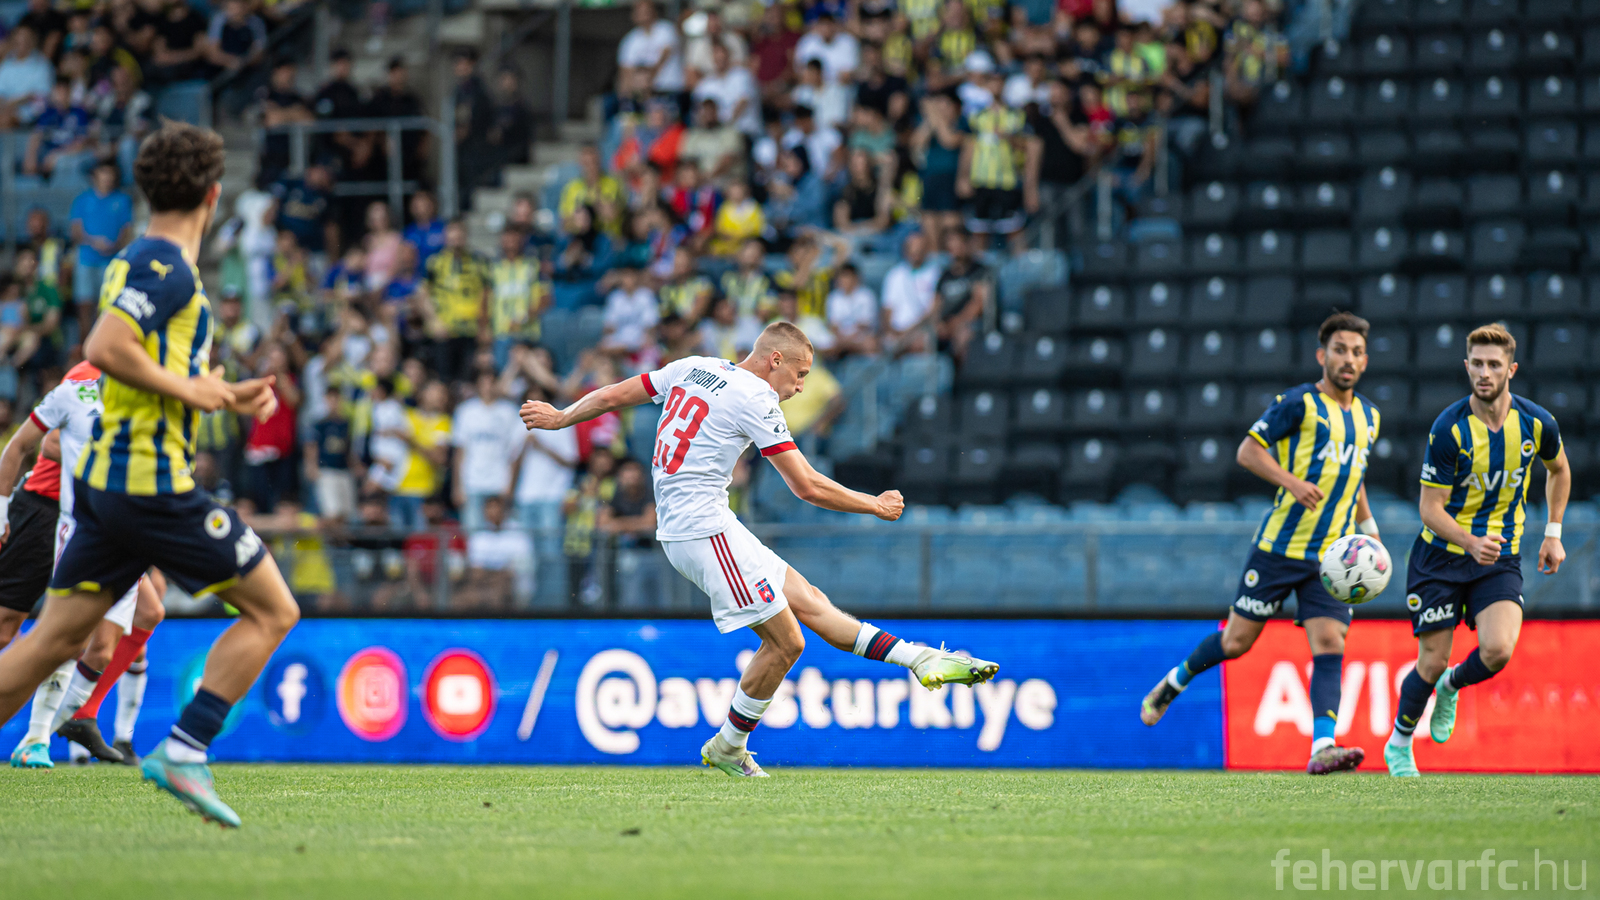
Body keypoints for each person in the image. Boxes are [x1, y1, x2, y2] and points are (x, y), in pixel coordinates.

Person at [520, 322, 999, 777]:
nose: (800, 387)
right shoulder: (756, 397)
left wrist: (563, 416)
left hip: (706, 524)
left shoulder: (693, 366)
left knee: (810, 602)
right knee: (787, 642)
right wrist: (872, 504)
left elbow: (613, 395)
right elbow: (806, 486)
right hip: (701, 530)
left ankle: (918, 658)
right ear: (775, 360)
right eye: (800, 374)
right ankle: (728, 746)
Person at [0, 124, 298, 826]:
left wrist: (221, 393)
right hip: (149, 484)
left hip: (106, 490)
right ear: (213, 196)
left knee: (50, 644)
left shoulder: (131, 259)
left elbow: (145, 366)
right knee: (273, 610)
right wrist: (196, 390)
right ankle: (185, 751)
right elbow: (105, 345)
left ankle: (163, 747)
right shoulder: (170, 267)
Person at [1140, 312, 1379, 776]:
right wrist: (1292, 482)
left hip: (1331, 557)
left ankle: (1323, 746)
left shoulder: (1370, 416)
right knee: (1236, 642)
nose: (1347, 359)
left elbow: (1356, 472)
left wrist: (1367, 527)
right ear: (1322, 356)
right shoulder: (1298, 404)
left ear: (1365, 361)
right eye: (1339, 350)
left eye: (1356, 352)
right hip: (1279, 548)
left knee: (1330, 640)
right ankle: (1172, 683)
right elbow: (1247, 452)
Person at [1384, 324, 1571, 778]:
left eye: (1494, 364)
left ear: (1512, 369)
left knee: (1499, 649)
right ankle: (1400, 742)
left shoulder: (1537, 424)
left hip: (1498, 556)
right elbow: (1429, 509)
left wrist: (1553, 533)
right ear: (1466, 366)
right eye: (1478, 364)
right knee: (1431, 660)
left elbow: (1560, 470)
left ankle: (1451, 686)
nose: (1485, 373)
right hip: (1440, 558)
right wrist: (1469, 542)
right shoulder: (1449, 429)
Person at [0, 362, 167, 767]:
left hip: (114, 523)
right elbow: (50, 444)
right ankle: (48, 731)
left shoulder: (157, 380)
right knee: (15, 627)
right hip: (46, 510)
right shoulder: (89, 374)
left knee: (135, 620)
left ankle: (72, 723)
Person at [452, 370, 523, 533]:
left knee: (501, 533)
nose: (488, 387)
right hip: (472, 483)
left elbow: (515, 452)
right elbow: (460, 452)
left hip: (499, 482)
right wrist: (457, 487)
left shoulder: (509, 411)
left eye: (491, 383)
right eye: (484, 383)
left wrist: (511, 486)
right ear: (477, 386)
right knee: (472, 533)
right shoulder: (465, 411)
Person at [419, 220, 490, 382]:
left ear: (466, 236)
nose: (456, 239)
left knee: (467, 381)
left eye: (459, 235)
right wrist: (433, 320)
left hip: (470, 330)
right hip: (444, 330)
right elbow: (423, 294)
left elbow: (486, 295)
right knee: (444, 379)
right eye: (452, 235)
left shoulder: (479, 262)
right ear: (445, 237)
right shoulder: (434, 262)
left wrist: (484, 327)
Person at [599, 458, 661, 610]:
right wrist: (635, 524)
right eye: (627, 471)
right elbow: (602, 524)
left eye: (634, 471)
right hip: (622, 555)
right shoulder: (616, 495)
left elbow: (650, 523)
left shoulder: (650, 494)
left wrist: (619, 524)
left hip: (651, 553)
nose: (631, 476)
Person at [306, 384, 356, 526]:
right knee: (331, 511)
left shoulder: (346, 423)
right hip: (326, 469)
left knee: (346, 512)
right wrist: (312, 465)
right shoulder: (321, 423)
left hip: (343, 469)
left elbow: (349, 447)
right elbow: (312, 445)